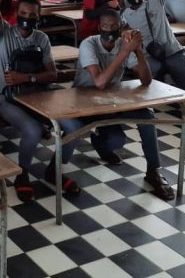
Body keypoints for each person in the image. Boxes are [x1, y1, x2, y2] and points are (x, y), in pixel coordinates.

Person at [0, 0, 82, 202]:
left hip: (37, 95)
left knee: (74, 127)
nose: (27, 19)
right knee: (31, 130)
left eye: (32, 16)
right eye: (24, 14)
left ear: (39, 18)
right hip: (8, 99)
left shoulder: (42, 38)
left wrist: (27, 78)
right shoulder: (5, 33)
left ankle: (53, 171)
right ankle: (23, 174)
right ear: (17, 14)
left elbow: (51, 74)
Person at [73, 10, 174, 200]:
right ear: (99, 27)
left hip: (111, 100)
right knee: (113, 140)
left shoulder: (122, 43)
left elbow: (146, 80)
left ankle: (154, 170)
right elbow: (100, 83)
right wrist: (126, 51)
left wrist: (138, 50)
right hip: (83, 101)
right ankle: (100, 141)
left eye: (114, 26)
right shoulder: (89, 44)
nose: (109, 30)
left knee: (146, 116)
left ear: (120, 28)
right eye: (105, 26)